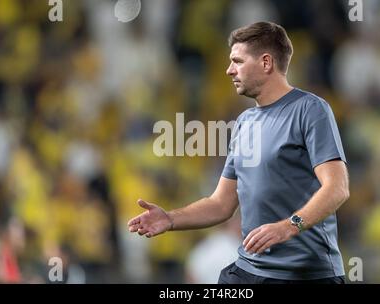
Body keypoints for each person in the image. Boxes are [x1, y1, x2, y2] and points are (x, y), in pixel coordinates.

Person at [128, 21, 349, 284]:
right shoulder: (244, 123)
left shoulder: (310, 110)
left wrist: (289, 226)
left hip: (305, 274)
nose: (229, 70)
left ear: (266, 63)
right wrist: (170, 218)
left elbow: (337, 187)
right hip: (250, 271)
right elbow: (221, 204)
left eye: (238, 61)